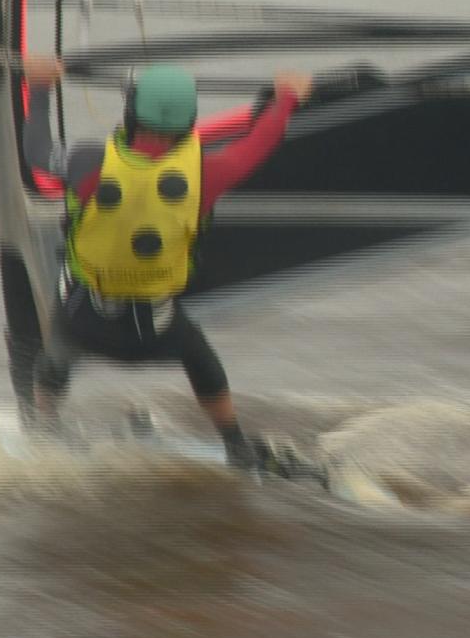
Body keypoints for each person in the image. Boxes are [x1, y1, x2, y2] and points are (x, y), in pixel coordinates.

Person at [19, 56, 312, 470]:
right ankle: (235, 445)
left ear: (132, 113)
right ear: (189, 122)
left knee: (57, 343)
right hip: (156, 335)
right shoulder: (211, 173)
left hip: (85, 326)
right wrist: (286, 97)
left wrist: (41, 85)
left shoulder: (87, 162)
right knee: (200, 356)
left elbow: (35, 150)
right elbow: (258, 143)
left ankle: (44, 427)